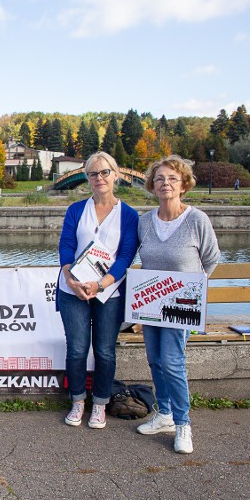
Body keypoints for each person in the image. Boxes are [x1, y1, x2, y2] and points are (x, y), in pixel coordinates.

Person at [136, 155, 220, 454]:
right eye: (159, 179)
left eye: (172, 178)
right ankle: (165, 415)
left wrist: (193, 290)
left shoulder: (196, 220)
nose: (165, 184)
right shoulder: (145, 221)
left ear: (183, 184)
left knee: (173, 361)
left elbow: (211, 260)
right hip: (151, 305)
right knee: (156, 360)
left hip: (181, 305)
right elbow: (132, 257)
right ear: (152, 185)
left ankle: (184, 423)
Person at [57, 151, 139, 429]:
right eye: (93, 173)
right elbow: (66, 245)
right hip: (73, 290)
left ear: (116, 175)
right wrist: (70, 279)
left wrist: (101, 284)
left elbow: (126, 256)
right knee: (78, 349)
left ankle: (101, 403)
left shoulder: (128, 215)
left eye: (105, 172)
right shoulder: (76, 210)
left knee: (104, 351)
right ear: (87, 178)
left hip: (109, 293)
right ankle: (78, 400)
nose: (99, 178)